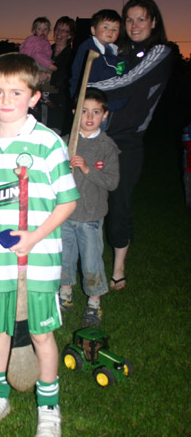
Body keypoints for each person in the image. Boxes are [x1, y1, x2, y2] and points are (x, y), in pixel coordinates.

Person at [0, 53, 79, 437]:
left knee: (41, 334)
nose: (6, 99)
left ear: (33, 97)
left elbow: (67, 202)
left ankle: (49, 409)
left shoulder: (47, 143)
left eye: (16, 92)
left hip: (40, 261)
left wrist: (33, 238)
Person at [88, 0, 173, 289]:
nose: (134, 25)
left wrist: (86, 87)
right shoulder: (119, 51)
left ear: (153, 21)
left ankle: (119, 266)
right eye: (129, 19)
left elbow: (129, 82)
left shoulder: (161, 51)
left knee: (119, 203)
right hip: (100, 135)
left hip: (128, 141)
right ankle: (88, 260)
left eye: (141, 19)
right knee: (89, 199)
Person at [60, 88, 120, 326]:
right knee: (64, 257)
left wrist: (87, 169)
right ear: (75, 113)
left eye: (96, 112)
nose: (89, 117)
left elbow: (113, 182)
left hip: (91, 217)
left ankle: (94, 304)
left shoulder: (107, 146)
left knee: (91, 261)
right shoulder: (66, 142)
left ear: (104, 115)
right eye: (84, 111)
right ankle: (64, 296)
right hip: (64, 215)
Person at [69, 9, 126, 99]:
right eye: (105, 27)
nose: (110, 31)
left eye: (115, 29)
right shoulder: (89, 48)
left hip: (103, 96)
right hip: (88, 97)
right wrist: (117, 72)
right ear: (93, 30)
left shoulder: (115, 52)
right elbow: (95, 74)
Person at [43, 16, 76, 135]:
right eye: (57, 29)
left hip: (58, 105)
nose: (59, 33)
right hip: (39, 103)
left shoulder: (73, 55)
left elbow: (68, 79)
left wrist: (50, 77)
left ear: (70, 35)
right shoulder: (44, 51)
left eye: (64, 30)